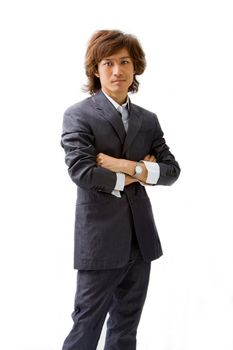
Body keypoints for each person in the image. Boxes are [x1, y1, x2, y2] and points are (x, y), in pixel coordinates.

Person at [61, 29, 181, 350]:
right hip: (99, 244)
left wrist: (123, 165)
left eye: (124, 62)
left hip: (140, 242)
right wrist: (142, 171)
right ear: (96, 70)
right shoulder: (79, 115)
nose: (117, 71)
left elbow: (171, 171)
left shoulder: (148, 120)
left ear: (135, 67)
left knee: (125, 330)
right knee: (85, 328)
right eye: (108, 63)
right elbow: (83, 172)